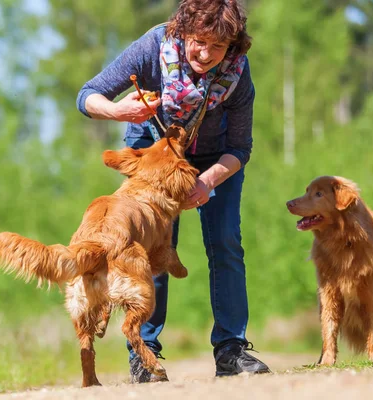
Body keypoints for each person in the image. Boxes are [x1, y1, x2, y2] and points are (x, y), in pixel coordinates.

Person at [76, 0, 270, 383]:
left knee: (227, 244)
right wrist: (119, 112)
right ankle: (144, 354)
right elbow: (88, 95)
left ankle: (231, 349)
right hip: (154, 156)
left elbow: (240, 148)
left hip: (214, 161)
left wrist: (206, 181)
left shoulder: (237, 73)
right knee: (148, 250)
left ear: (232, 45)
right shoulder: (152, 47)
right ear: (183, 32)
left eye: (218, 47)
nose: (206, 54)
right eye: (199, 42)